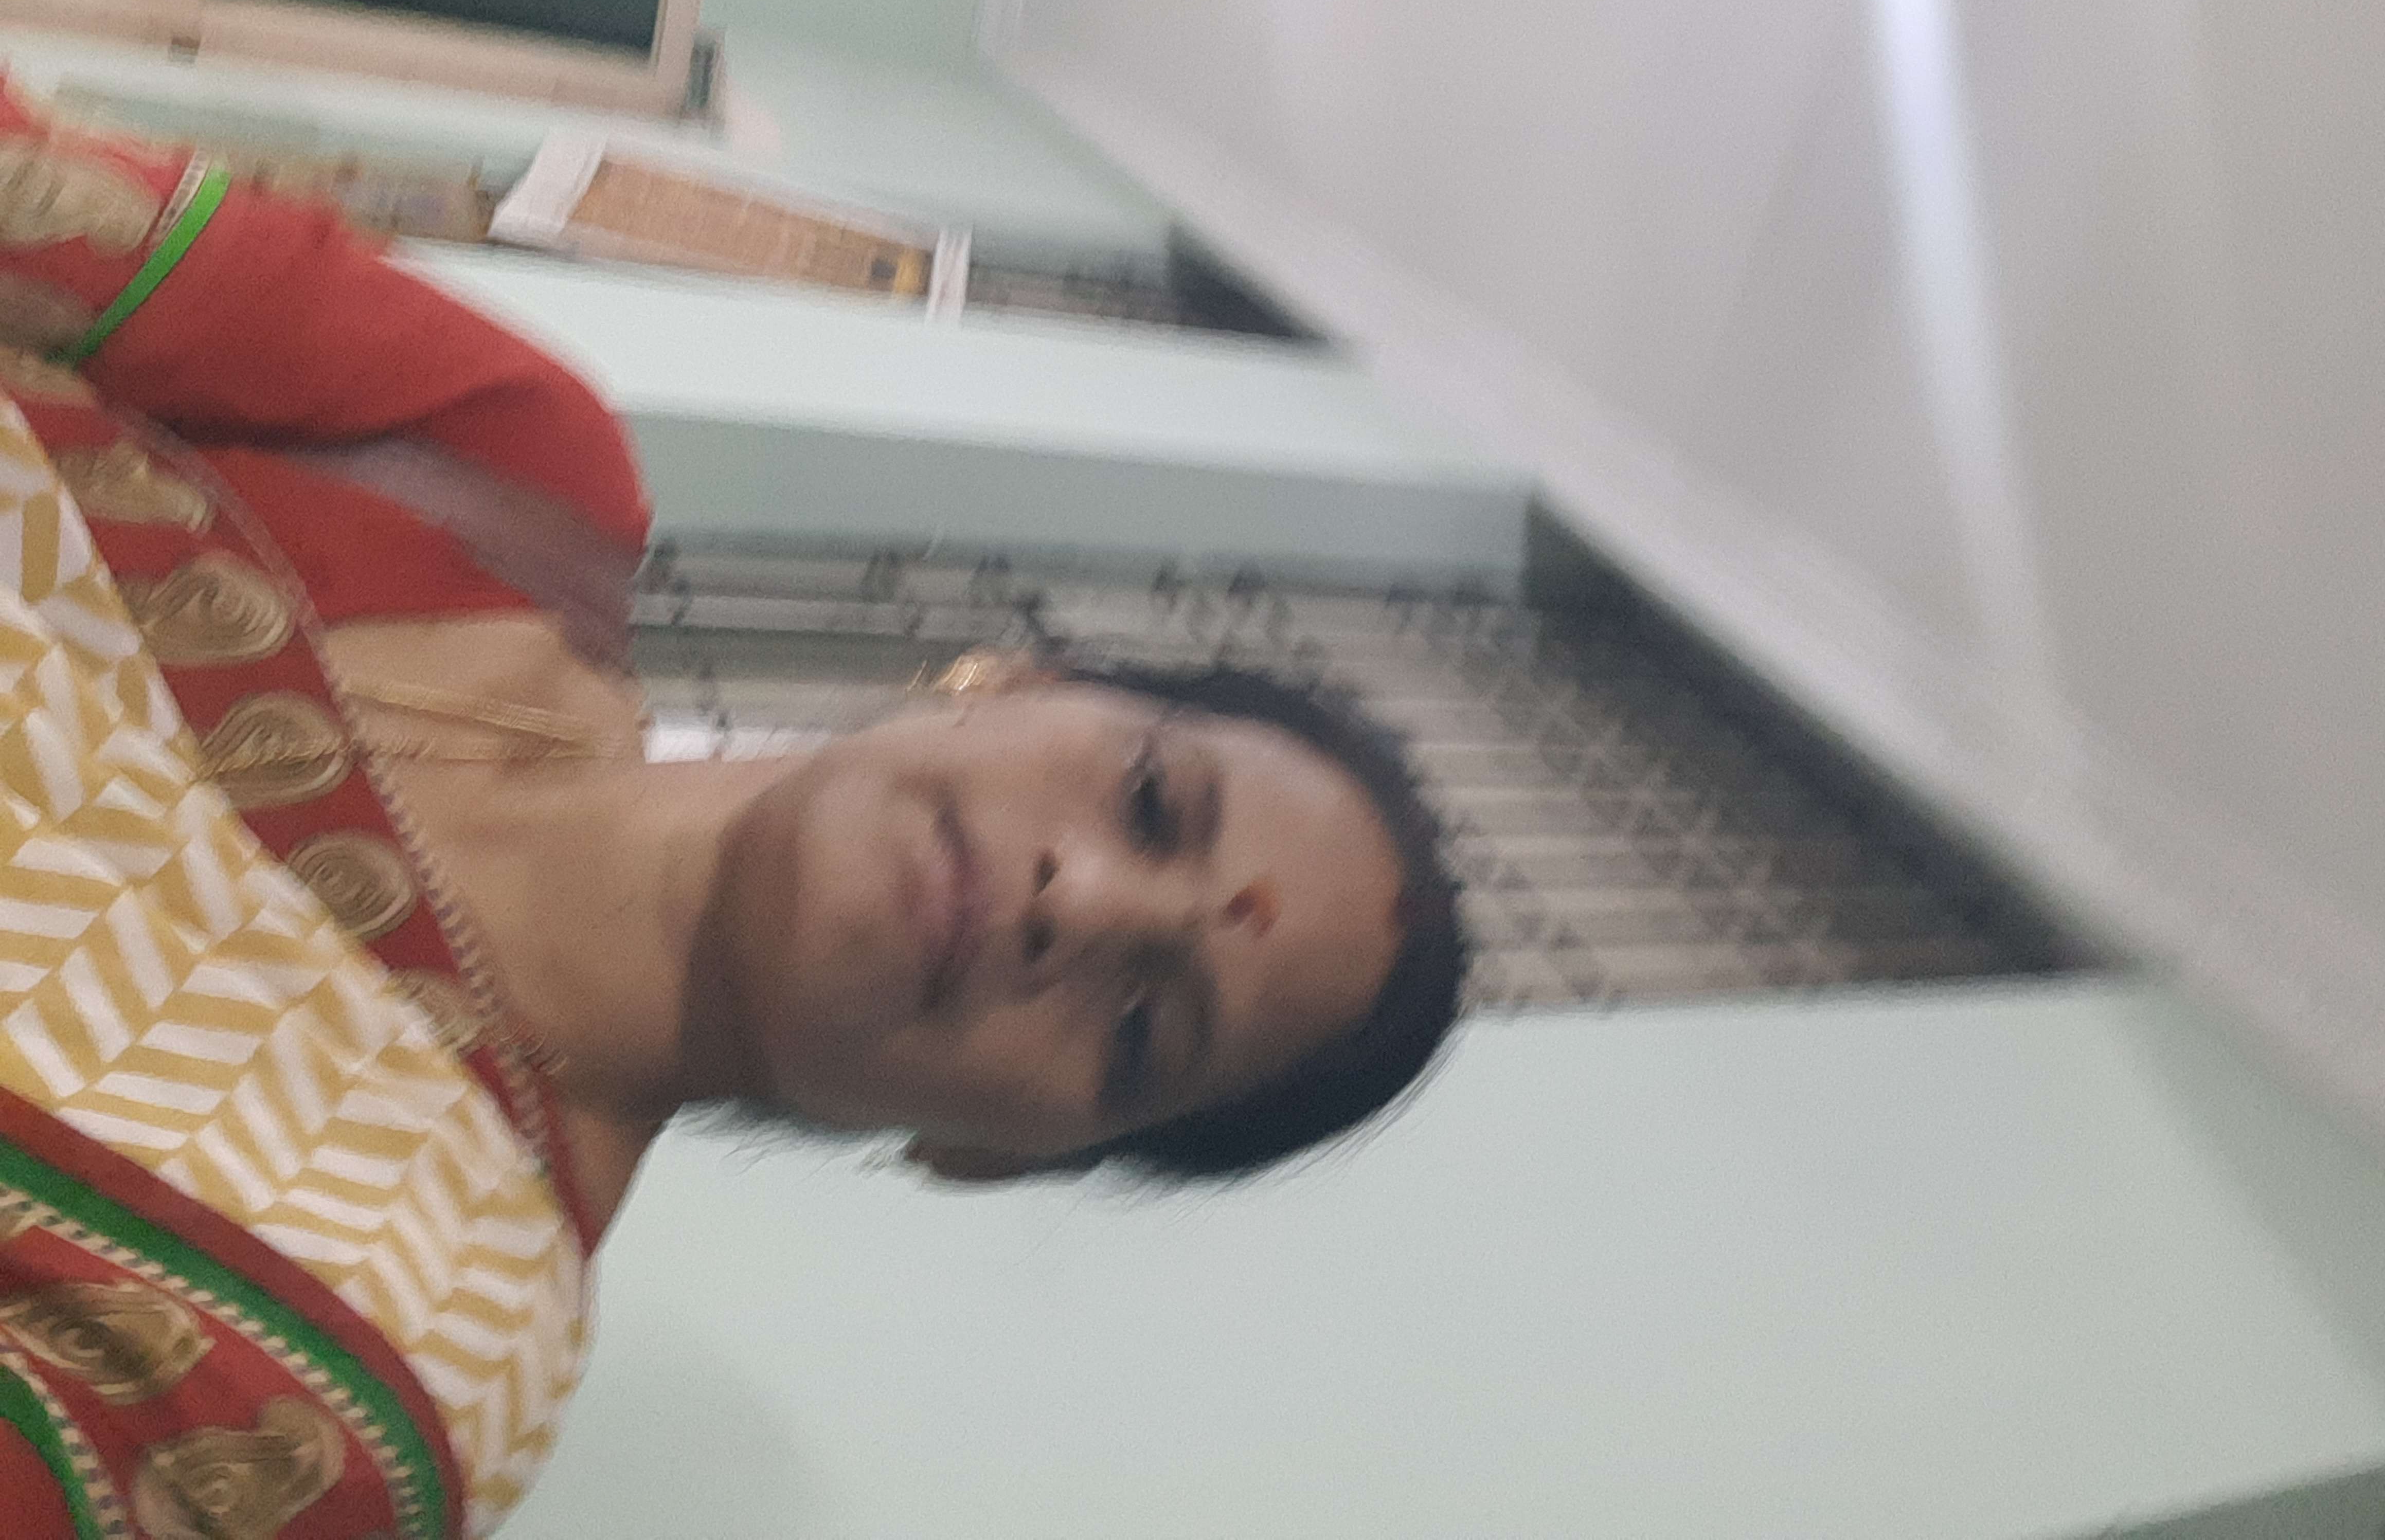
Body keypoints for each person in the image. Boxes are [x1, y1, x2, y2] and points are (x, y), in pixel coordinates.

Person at [0, 75, 1467, 1538]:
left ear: (993, 1156)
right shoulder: (500, 461)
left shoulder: (392, 1356)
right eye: (1151, 803)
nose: (1077, 902)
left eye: (1145, 1030)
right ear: (1013, 681)